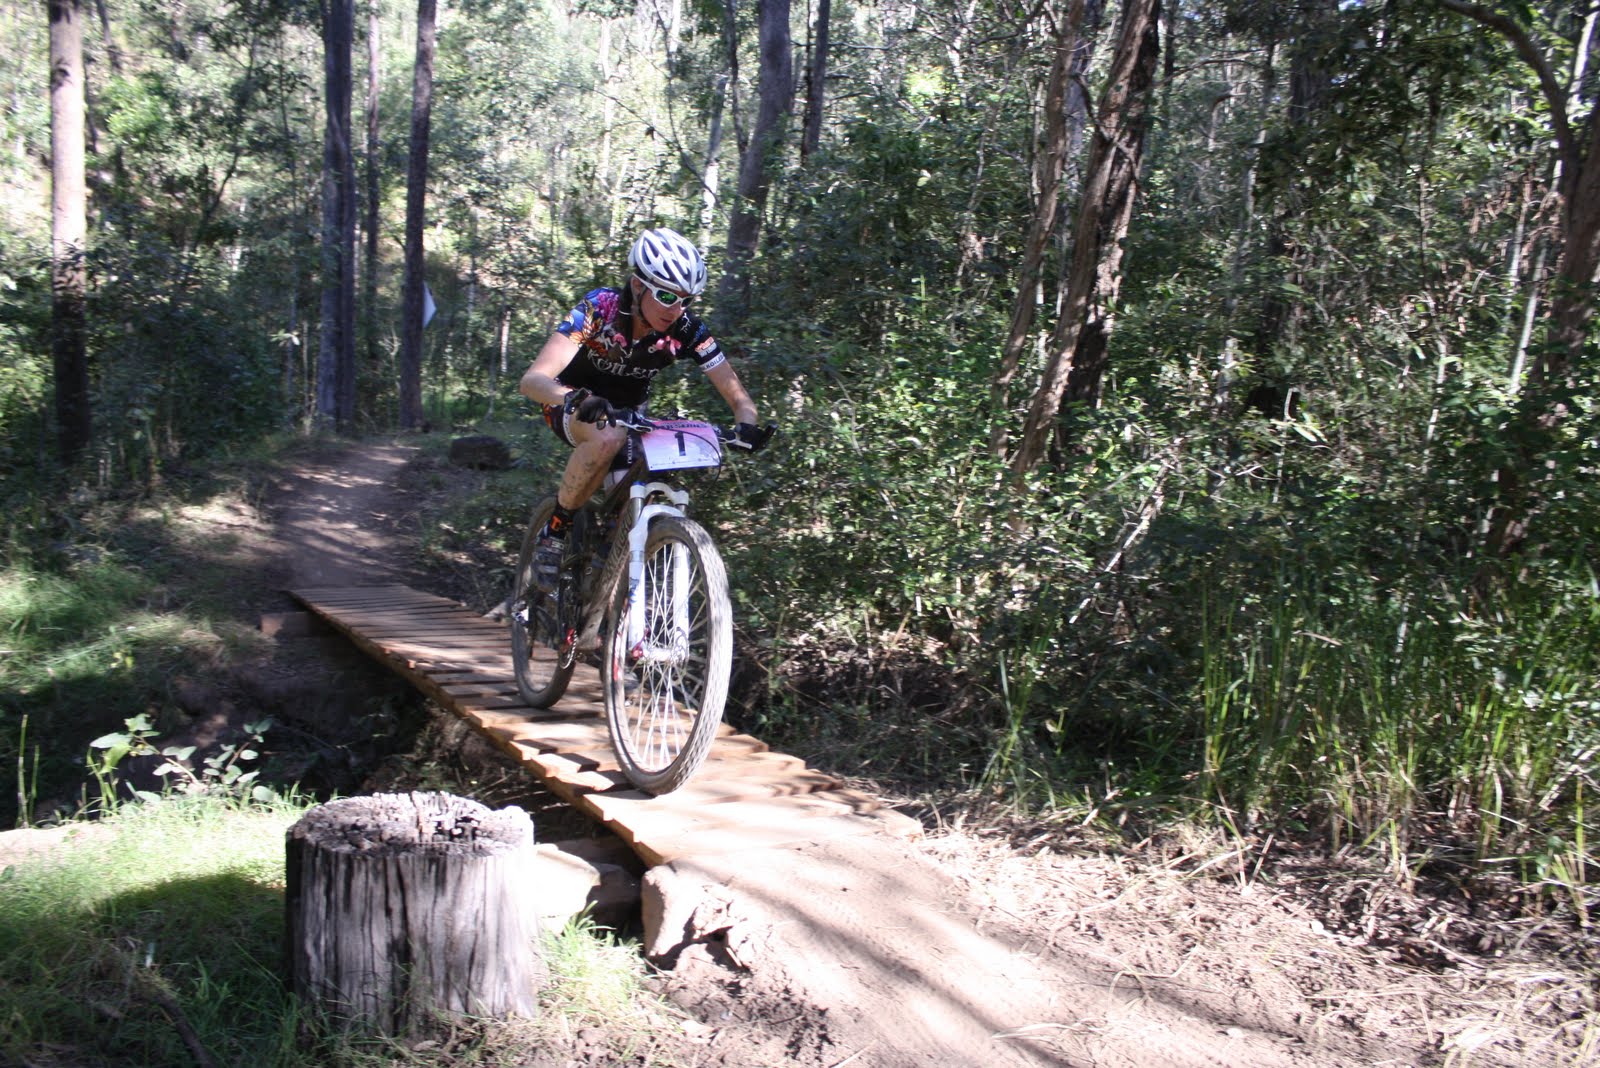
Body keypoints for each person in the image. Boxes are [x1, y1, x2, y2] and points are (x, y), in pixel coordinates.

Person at [518, 227, 771, 586]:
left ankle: (610, 586)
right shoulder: (599, 308)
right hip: (571, 401)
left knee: (647, 483)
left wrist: (746, 425)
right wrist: (575, 398)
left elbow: (738, 396)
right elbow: (533, 380)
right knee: (607, 438)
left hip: (629, 414)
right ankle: (556, 531)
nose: (676, 309)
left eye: (686, 300)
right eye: (666, 296)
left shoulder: (686, 328)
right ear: (638, 286)